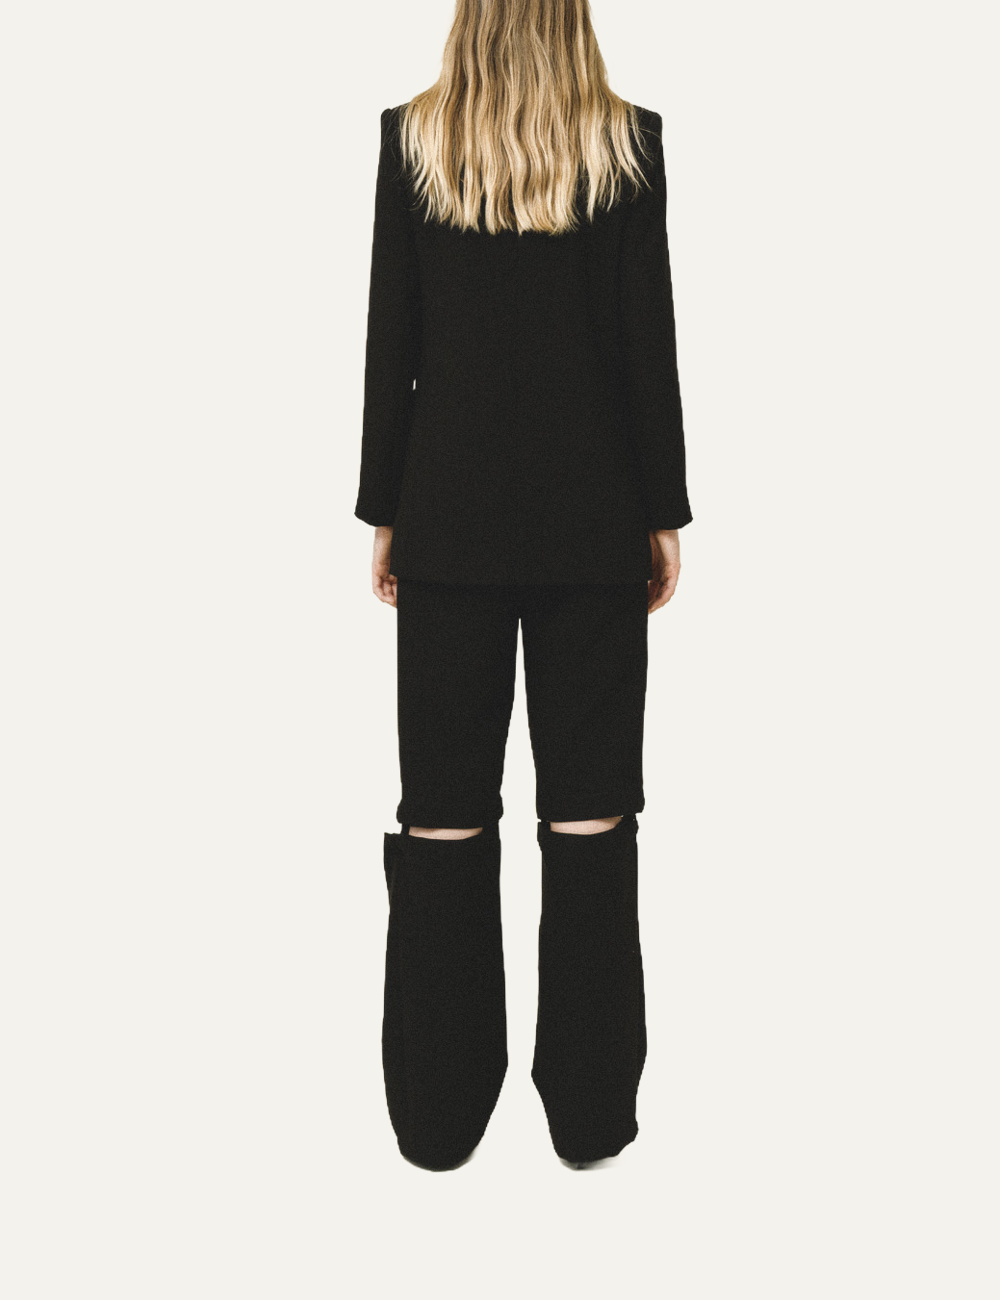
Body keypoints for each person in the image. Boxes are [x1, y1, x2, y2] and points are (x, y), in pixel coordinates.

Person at [354, 0, 693, 1172]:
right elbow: (645, 344)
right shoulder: (626, 143)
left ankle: (439, 1112)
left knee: (442, 808)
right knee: (590, 810)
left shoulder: (412, 140)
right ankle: (590, 1112)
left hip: (448, 522)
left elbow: (392, 343)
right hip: (592, 525)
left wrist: (386, 511)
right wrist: (661, 513)